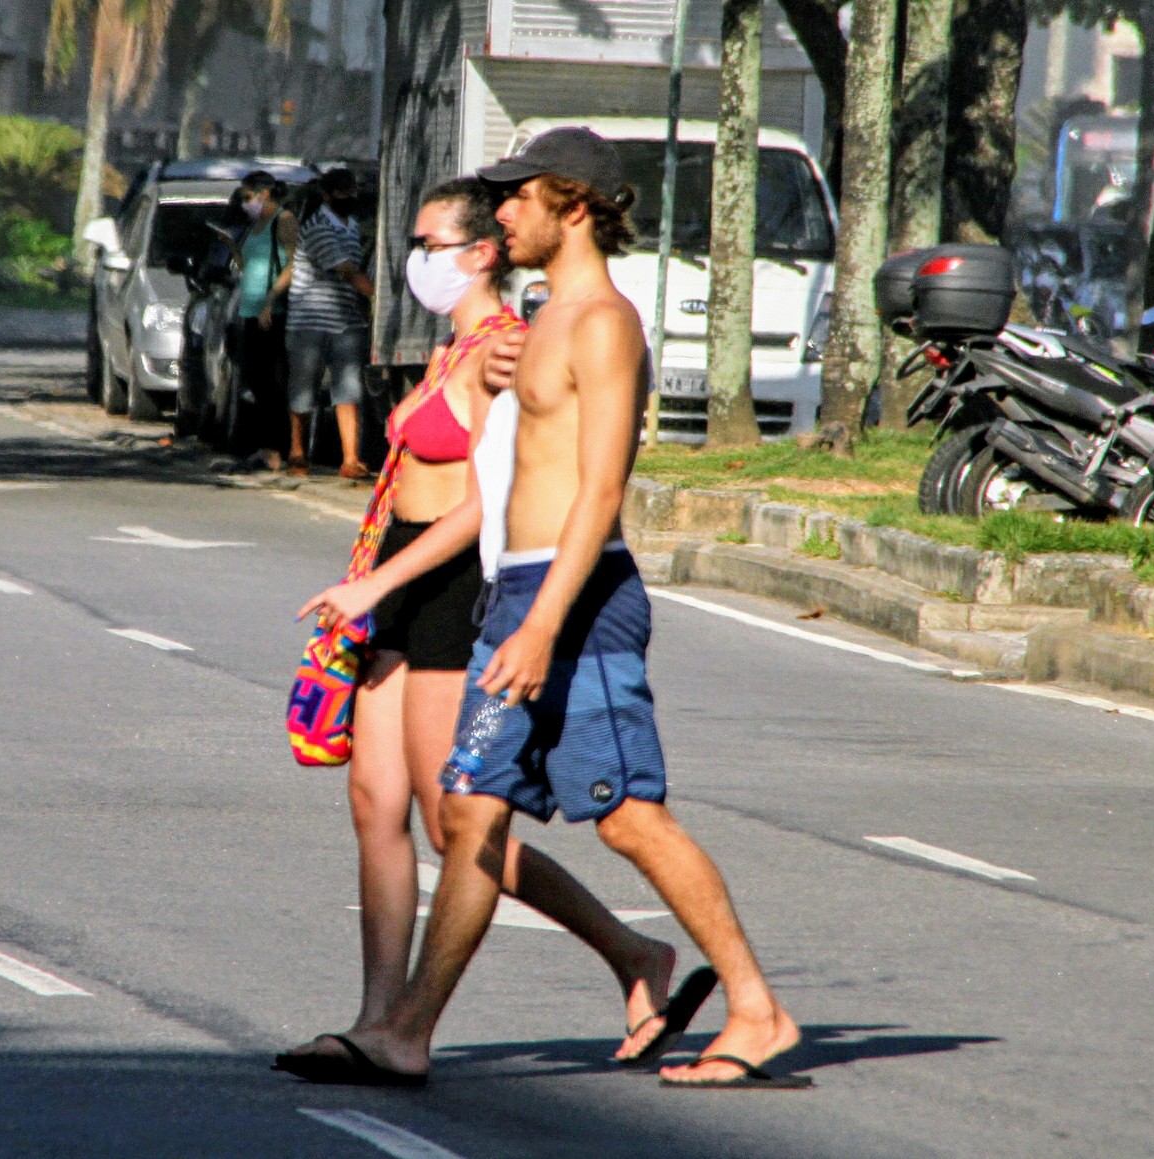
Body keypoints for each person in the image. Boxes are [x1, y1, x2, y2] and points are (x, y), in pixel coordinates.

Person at [287, 128, 803, 1089]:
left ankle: (756, 1006)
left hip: (577, 595)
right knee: (471, 811)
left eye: (517, 196)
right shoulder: (540, 318)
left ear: (573, 204)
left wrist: (538, 622)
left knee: (628, 818)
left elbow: (599, 490)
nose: (504, 213)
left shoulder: (604, 322)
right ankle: (405, 1033)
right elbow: (514, 456)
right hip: (518, 589)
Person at [286, 168, 373, 479]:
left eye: (351, 192)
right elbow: (347, 270)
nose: (349, 198)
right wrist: (377, 297)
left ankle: (350, 459)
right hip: (310, 320)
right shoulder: (318, 226)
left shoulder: (350, 227)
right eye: (342, 193)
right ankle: (297, 453)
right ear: (327, 195)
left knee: (349, 391)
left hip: (345, 320)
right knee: (303, 389)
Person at [229, 171, 299, 471]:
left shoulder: (283, 220)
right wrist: (233, 251)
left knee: (273, 383)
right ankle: (262, 446)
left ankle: (276, 449)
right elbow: (249, 265)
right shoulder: (254, 225)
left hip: (272, 314)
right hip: (249, 310)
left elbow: (292, 265)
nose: (246, 204)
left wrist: (271, 299)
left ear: (264, 194)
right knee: (254, 381)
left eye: (248, 198)